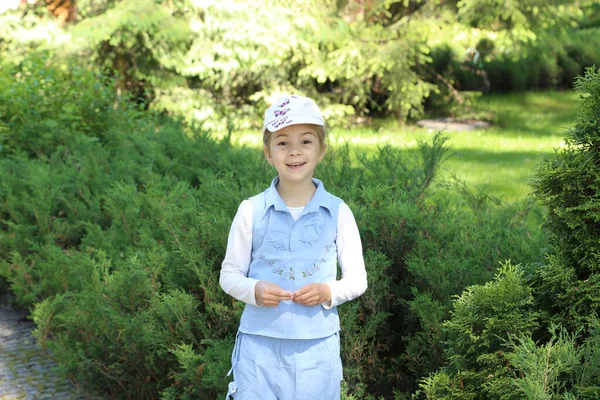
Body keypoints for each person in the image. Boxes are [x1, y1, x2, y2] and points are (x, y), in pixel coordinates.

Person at [220, 95, 368, 400]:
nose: (295, 151)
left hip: (317, 350)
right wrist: (255, 289)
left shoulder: (338, 213)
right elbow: (229, 275)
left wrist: (329, 292)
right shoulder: (251, 210)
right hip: (258, 349)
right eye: (283, 143)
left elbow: (357, 280)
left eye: (306, 141)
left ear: (321, 150)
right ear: (268, 153)